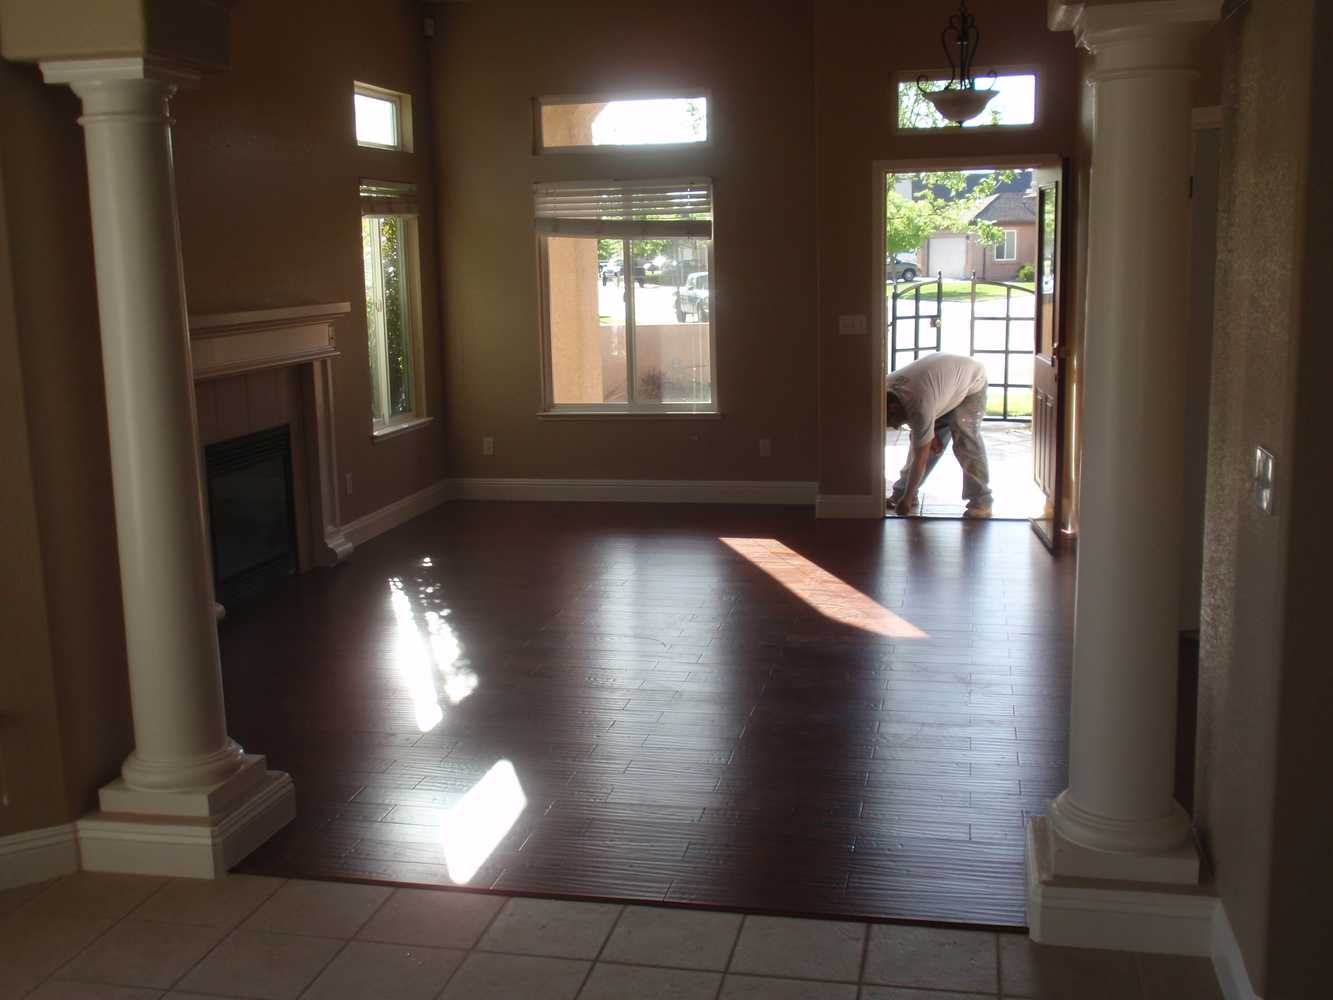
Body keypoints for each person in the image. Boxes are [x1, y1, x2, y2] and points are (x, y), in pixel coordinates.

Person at [886, 352, 993, 518]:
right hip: (940, 386)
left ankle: (981, 502)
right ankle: (902, 492)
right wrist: (929, 432)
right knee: (925, 442)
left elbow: (920, 457)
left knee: (966, 440)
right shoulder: (884, 389)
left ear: (893, 409)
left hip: (971, 381)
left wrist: (906, 499)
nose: (894, 427)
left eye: (891, 422)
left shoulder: (919, 406)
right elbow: (919, 434)